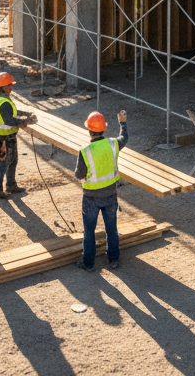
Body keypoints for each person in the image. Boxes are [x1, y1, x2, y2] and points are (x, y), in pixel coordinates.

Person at [73, 108, 128, 272]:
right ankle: (113, 260)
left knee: (89, 231)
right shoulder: (113, 144)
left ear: (89, 130)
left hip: (91, 198)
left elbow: (79, 175)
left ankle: (88, 263)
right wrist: (122, 122)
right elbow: (125, 137)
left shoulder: (85, 151)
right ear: (104, 128)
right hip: (110, 195)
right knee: (111, 229)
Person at [0, 73, 37, 200]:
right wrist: (26, 121)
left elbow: (12, 113)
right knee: (4, 163)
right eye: (9, 85)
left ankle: (11, 185)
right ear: (3, 87)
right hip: (3, 139)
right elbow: (9, 120)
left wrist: (25, 114)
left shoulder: (1, 97)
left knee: (13, 161)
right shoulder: (3, 102)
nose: (12, 87)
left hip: (8, 137)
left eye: (11, 84)